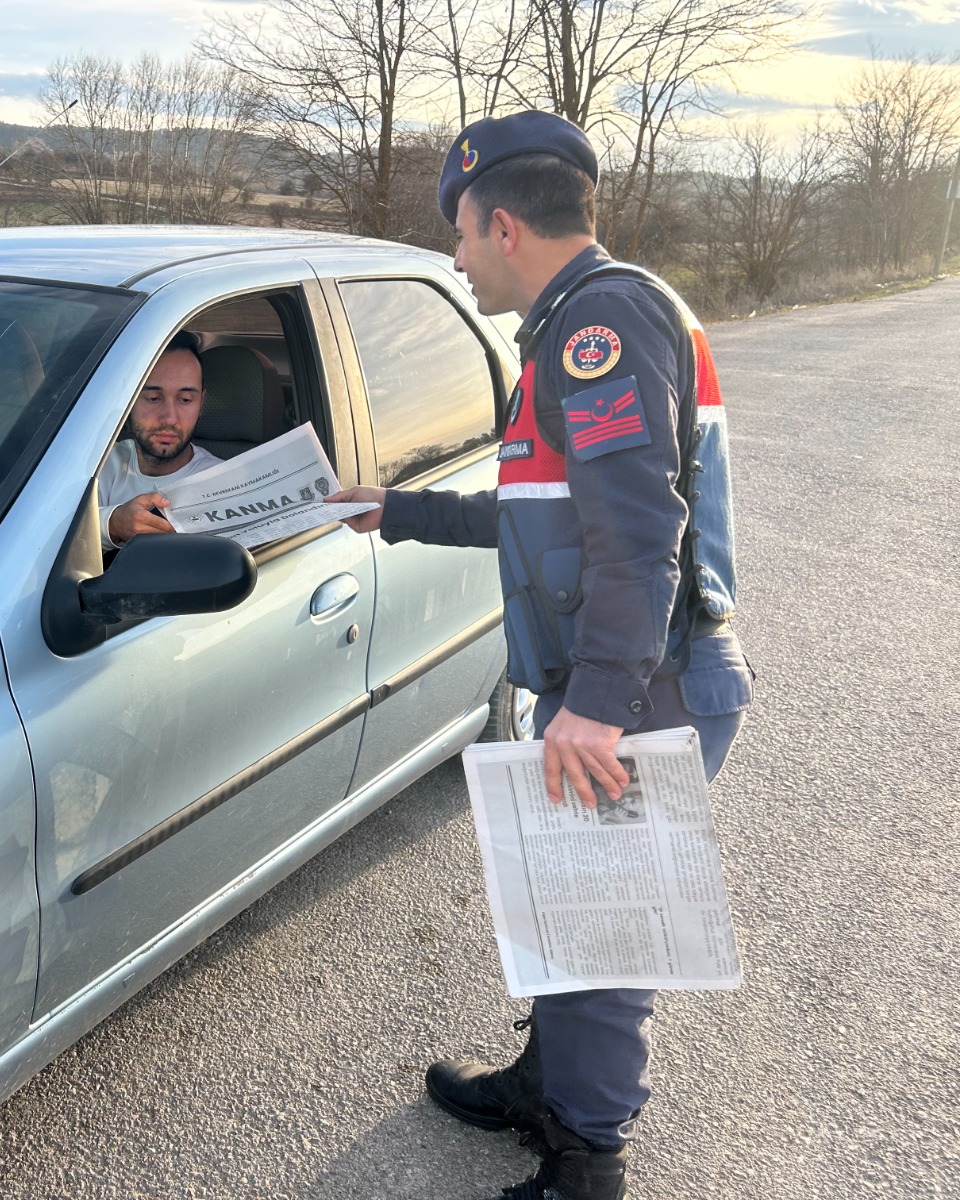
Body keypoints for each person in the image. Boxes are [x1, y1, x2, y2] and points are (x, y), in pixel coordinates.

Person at [326, 110, 752, 1200]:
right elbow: (545, 507)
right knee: (569, 900)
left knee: (606, 929)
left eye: (460, 236)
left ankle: (585, 1160)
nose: (456, 259)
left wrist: (599, 702)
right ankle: (548, 1082)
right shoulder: (581, 318)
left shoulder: (595, 327)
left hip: (641, 685)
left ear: (501, 224)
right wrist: (404, 511)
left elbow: (636, 531)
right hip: (621, 677)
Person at [98, 331, 224, 550]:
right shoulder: (100, 465)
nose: (170, 418)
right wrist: (114, 524)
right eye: (154, 398)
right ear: (129, 399)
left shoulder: (223, 481)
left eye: (185, 400)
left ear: (201, 403)